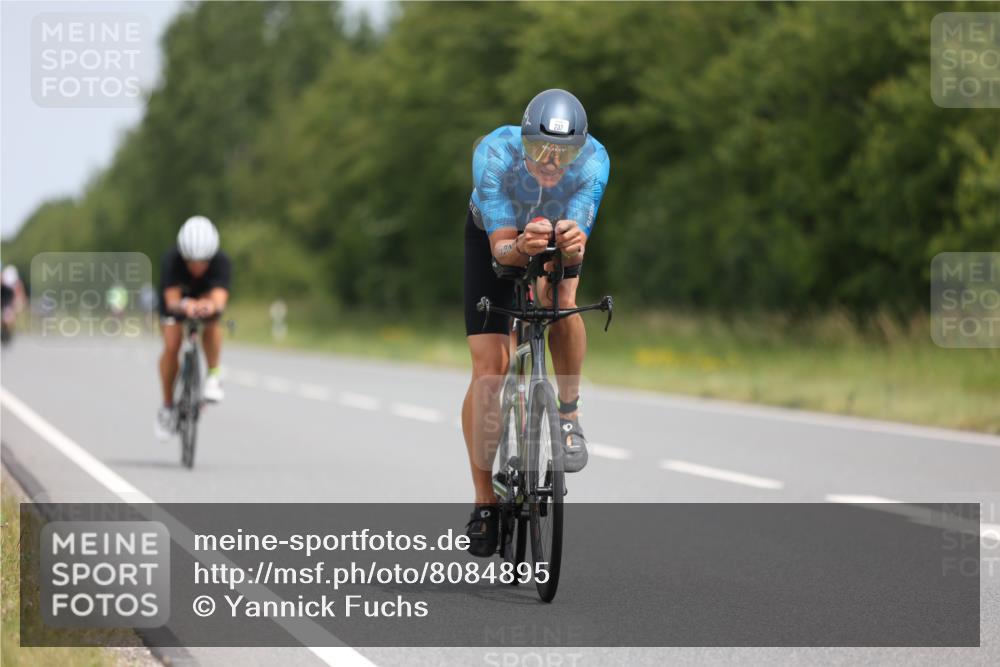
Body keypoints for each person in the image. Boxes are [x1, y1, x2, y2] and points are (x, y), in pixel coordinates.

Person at [461, 89, 610, 556]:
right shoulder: (494, 153)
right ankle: (484, 500)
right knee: (490, 369)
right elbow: (502, 252)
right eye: (539, 149)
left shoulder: (594, 163)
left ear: (580, 150)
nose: (549, 161)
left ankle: (568, 413)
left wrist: (570, 245)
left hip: (555, 232)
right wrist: (522, 246)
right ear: (523, 141)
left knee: (562, 300)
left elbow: (578, 248)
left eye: (562, 152)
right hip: (498, 235)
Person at [154, 216, 231, 441]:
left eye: (203, 262)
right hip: (178, 302)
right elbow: (171, 300)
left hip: (205, 297)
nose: (197, 267)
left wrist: (209, 306)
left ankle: (214, 375)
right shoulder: (171, 260)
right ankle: (167, 406)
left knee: (214, 321)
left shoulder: (221, 262)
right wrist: (185, 305)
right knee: (172, 344)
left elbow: (219, 299)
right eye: (191, 261)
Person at [1, 264, 26, 344]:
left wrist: (20, 302)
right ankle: (5, 332)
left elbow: (19, 293)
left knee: (9, 318)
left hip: (9, 302)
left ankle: (7, 333)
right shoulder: (4, 282)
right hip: (5, 300)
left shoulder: (16, 283)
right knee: (8, 318)